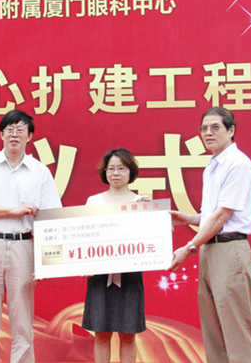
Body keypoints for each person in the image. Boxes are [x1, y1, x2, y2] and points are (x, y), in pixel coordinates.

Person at [0, 109, 62, 363]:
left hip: (23, 247)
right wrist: (12, 211)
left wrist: (50, 260)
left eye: (20, 130)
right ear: (1, 134)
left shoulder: (40, 171)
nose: (14, 134)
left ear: (30, 136)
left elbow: (51, 217)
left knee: (23, 323)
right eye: (9, 129)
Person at [167, 107, 251, 363]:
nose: (208, 133)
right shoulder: (212, 166)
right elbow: (211, 215)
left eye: (215, 127)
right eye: (204, 128)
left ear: (231, 131)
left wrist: (189, 247)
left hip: (229, 251)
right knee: (214, 332)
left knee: (237, 332)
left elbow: (222, 216)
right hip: (210, 250)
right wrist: (188, 219)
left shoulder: (238, 164)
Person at [82, 148, 150, 363]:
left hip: (130, 275)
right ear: (105, 172)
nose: (115, 173)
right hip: (99, 275)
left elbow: (153, 237)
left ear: (131, 172)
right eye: (111, 168)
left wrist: (149, 212)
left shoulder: (141, 202)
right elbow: (83, 237)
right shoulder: (94, 202)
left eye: (121, 168)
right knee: (101, 334)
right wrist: (83, 264)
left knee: (128, 334)